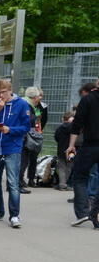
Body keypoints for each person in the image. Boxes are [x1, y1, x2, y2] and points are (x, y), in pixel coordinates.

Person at [0, 79, 31, 228]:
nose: (0, 95)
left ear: (10, 90)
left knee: (12, 183)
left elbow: (26, 127)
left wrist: (10, 130)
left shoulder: (22, 104)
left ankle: (15, 215)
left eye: (3, 92)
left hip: (13, 148)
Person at [68, 82, 99, 227]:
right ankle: (96, 214)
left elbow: (77, 124)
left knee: (80, 177)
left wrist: (71, 145)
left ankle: (83, 212)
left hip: (91, 145)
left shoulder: (88, 99)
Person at [20, 86, 47, 190]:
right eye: (38, 96)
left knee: (30, 159)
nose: (40, 98)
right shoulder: (26, 105)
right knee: (23, 160)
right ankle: (19, 181)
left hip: (33, 134)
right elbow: (28, 120)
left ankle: (27, 179)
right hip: (26, 135)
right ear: (35, 97)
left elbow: (43, 119)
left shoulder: (39, 106)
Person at [54, 111, 74, 191]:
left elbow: (56, 138)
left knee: (61, 167)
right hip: (71, 150)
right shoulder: (73, 128)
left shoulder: (59, 128)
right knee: (69, 167)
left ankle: (62, 184)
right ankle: (65, 183)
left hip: (61, 149)